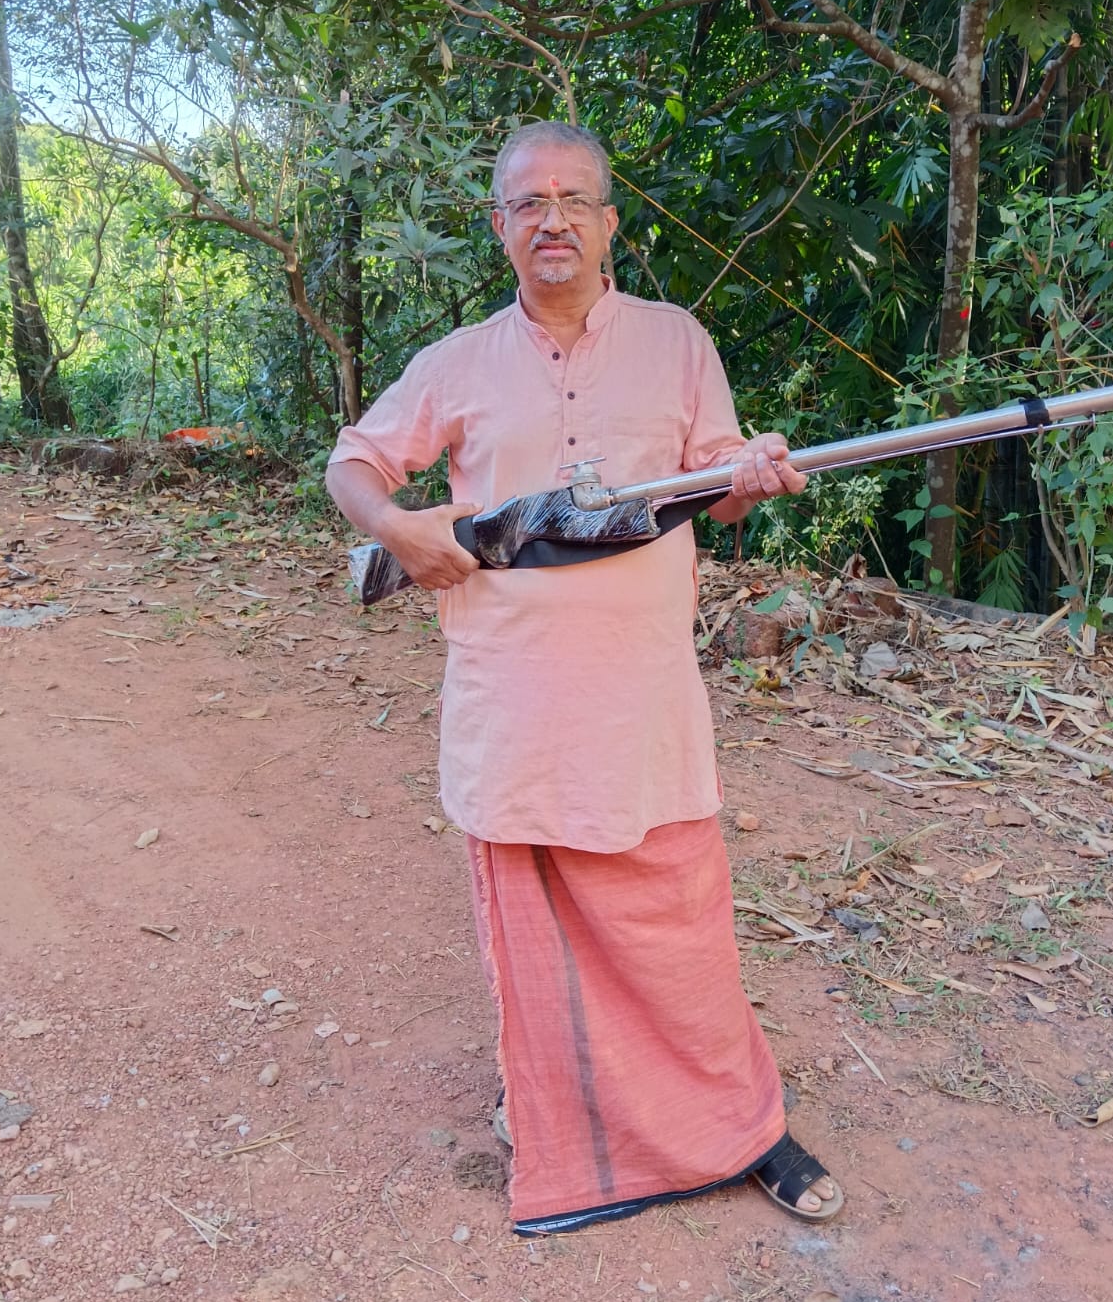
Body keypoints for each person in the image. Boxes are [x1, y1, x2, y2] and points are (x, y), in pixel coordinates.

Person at [325, 121, 842, 1235]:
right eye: (527, 202)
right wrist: (397, 528)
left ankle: (739, 1127)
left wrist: (751, 476)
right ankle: (559, 1112)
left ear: (610, 224)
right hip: (509, 695)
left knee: (681, 917)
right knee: (533, 923)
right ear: (501, 228)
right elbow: (354, 460)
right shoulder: (457, 361)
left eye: (573, 199)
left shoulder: (676, 339)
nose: (550, 218)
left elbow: (720, 487)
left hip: (642, 693)